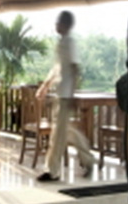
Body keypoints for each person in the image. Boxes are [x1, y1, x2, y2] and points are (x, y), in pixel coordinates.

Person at [35, 10, 96, 182]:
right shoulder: (61, 43)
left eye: (59, 22)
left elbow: (75, 68)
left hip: (66, 94)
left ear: (66, 25)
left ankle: (52, 171)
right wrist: (45, 86)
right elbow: (57, 68)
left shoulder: (70, 43)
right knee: (66, 131)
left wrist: (73, 94)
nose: (56, 25)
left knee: (58, 135)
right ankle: (89, 160)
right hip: (60, 92)